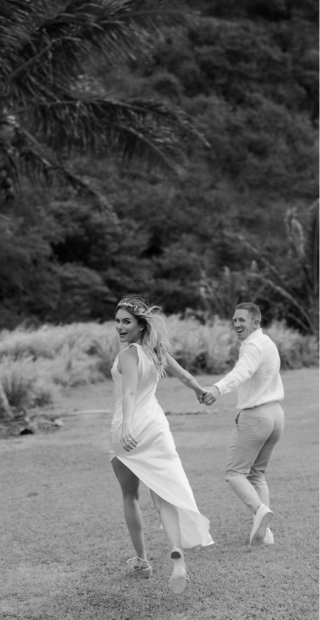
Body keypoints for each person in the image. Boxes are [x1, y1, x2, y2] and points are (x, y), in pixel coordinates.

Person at [109, 294, 213, 594]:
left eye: (126, 321)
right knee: (163, 494)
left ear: (141, 326)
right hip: (156, 427)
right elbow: (184, 376)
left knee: (130, 496)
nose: (120, 326)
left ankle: (142, 562)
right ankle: (177, 556)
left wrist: (127, 425)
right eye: (117, 321)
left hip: (129, 428)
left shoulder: (129, 355)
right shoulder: (156, 353)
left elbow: (128, 393)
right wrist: (200, 390)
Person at [202, 302, 284, 546]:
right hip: (276, 416)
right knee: (257, 474)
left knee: (235, 473)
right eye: (234, 320)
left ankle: (260, 510)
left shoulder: (251, 346)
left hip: (257, 417)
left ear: (255, 322)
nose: (236, 324)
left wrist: (217, 388)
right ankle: (265, 534)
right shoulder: (267, 342)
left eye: (242, 320)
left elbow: (241, 372)